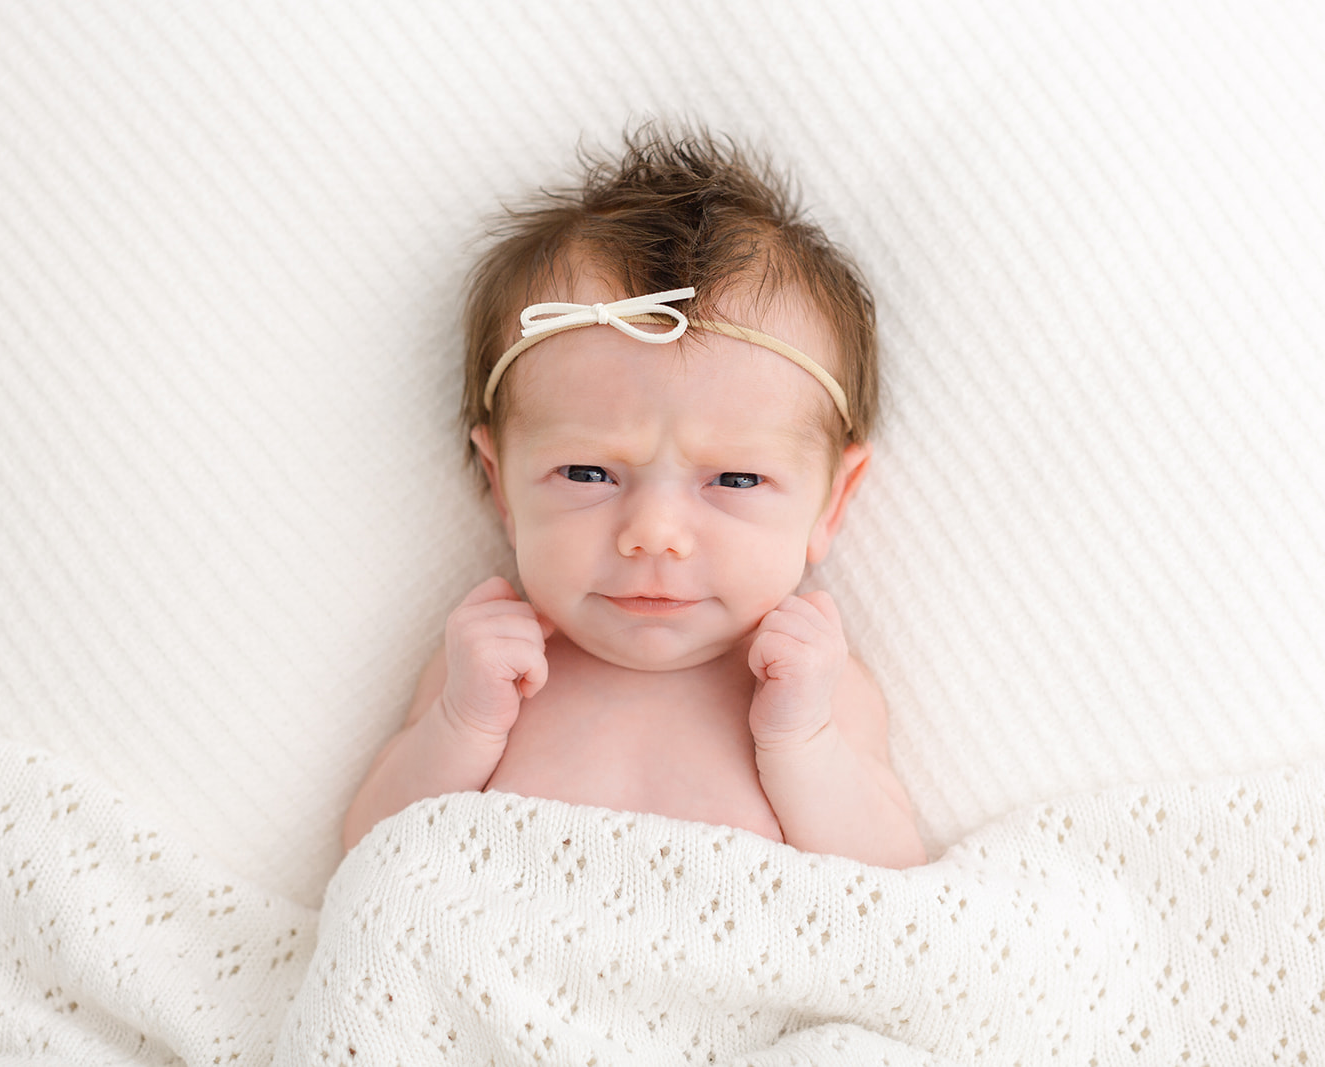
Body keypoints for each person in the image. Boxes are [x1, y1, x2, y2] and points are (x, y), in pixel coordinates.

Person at [343, 126, 926, 869]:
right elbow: (367, 851)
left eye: (736, 479)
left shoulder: (816, 688)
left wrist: (800, 739)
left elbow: (893, 879)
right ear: (502, 484)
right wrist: (461, 721)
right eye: (588, 474)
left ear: (831, 504)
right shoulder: (494, 672)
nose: (654, 534)